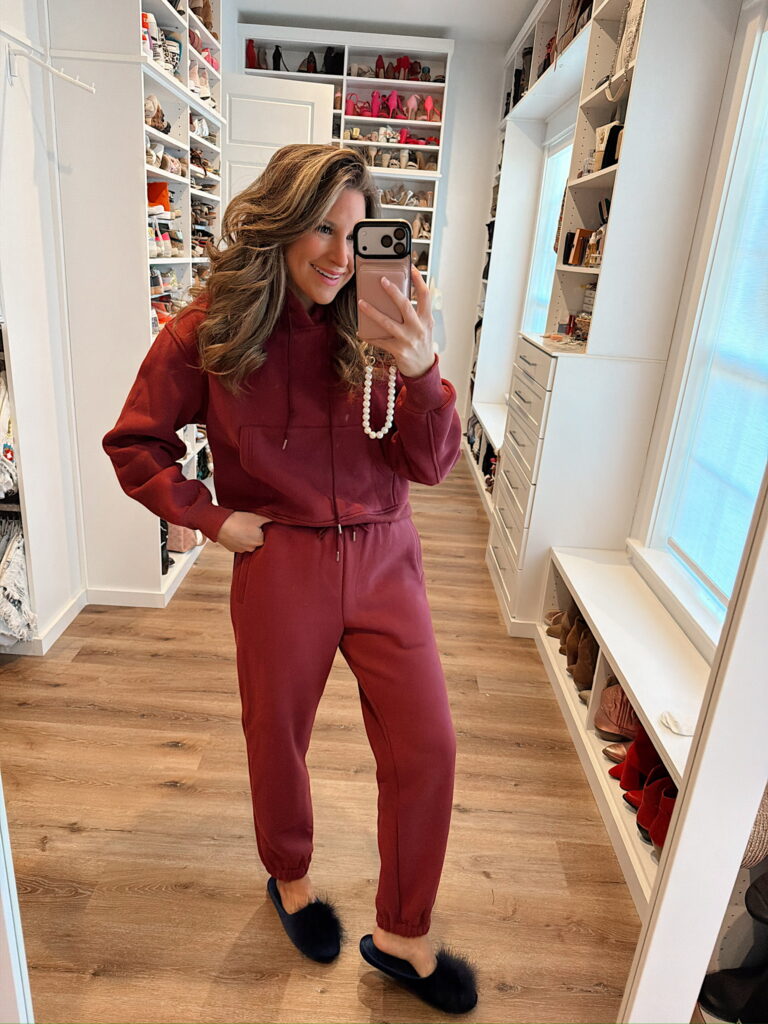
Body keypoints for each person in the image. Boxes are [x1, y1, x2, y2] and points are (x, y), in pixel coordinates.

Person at [103, 144, 477, 1014]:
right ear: (279, 221)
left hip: (386, 554)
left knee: (429, 744)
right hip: (282, 560)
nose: (341, 257)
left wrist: (421, 368)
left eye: (358, 235)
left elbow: (430, 466)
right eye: (321, 228)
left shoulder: (384, 322)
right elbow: (136, 443)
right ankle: (292, 878)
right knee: (277, 735)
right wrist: (210, 517)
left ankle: (404, 934)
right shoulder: (211, 328)